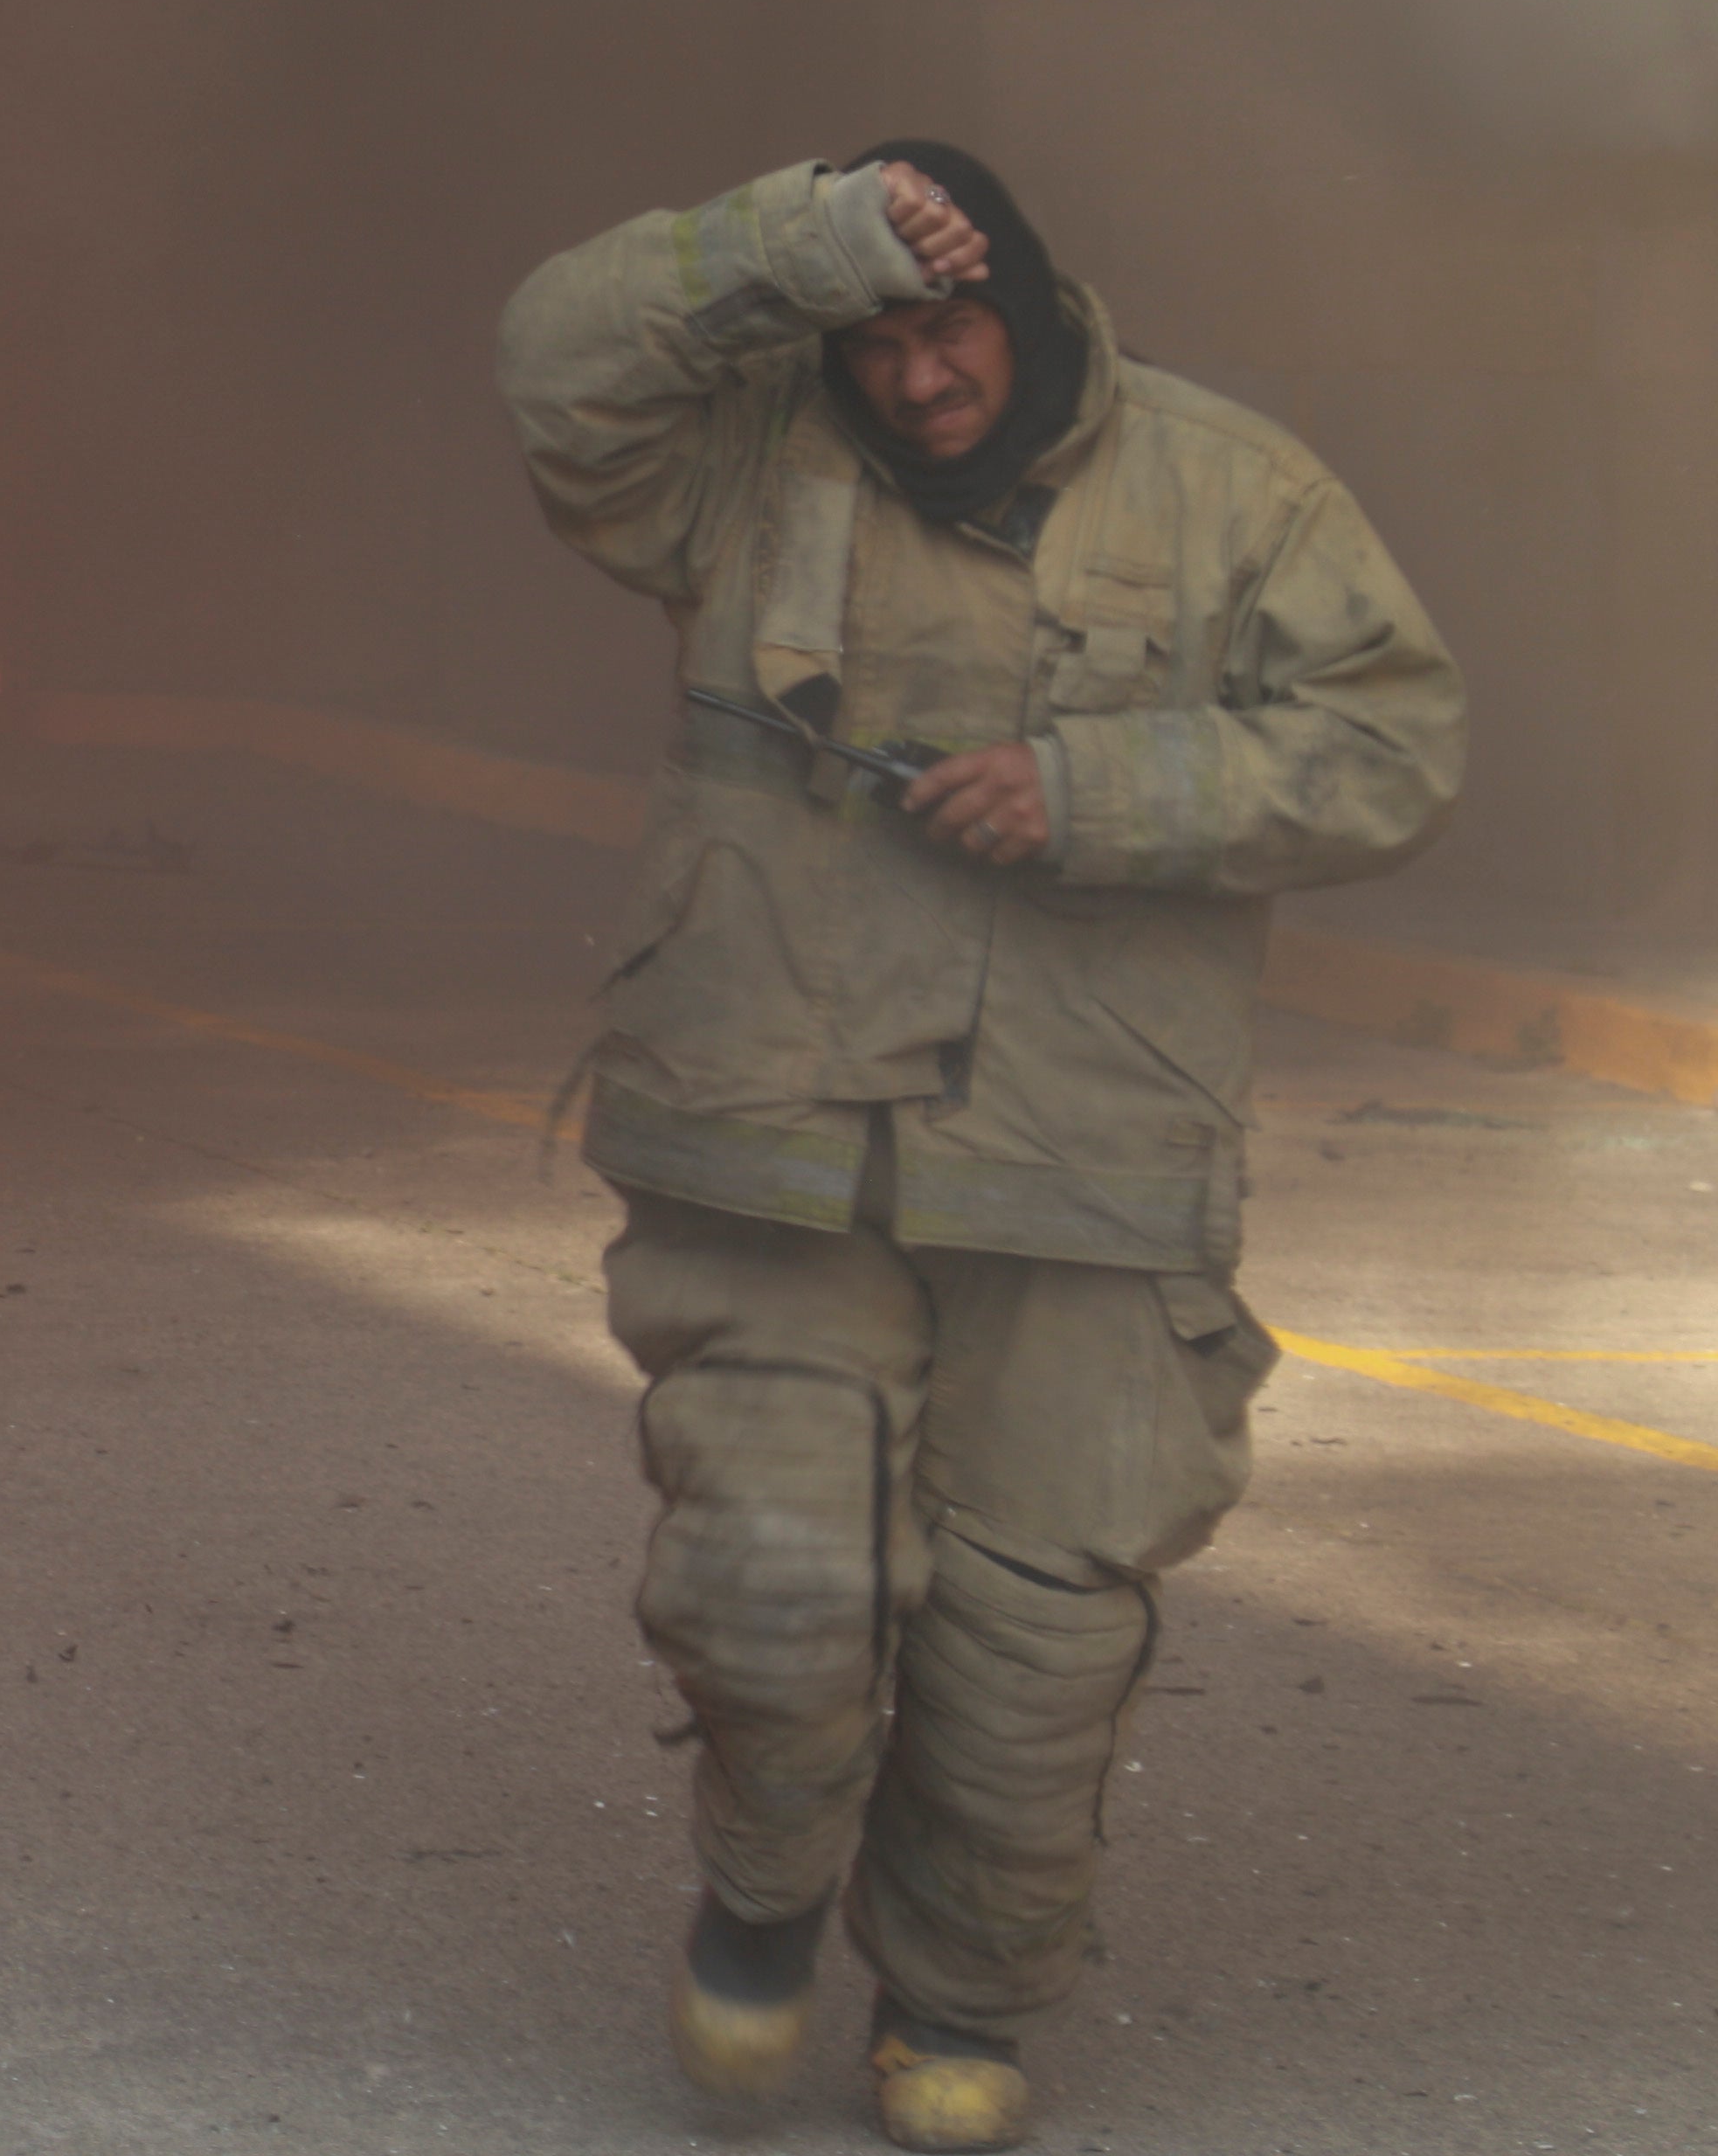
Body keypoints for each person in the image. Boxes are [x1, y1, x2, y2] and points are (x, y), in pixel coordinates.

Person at [497, 144, 1461, 2152]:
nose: (921, 377)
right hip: (772, 1138)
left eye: (952, 327)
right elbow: (555, 364)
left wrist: (1103, 793)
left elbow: (1396, 743)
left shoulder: (1235, 492)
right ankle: (761, 1901)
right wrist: (794, 240)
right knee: (772, 1591)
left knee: (1036, 1644)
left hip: (1086, 1163)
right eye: (880, 340)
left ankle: (953, 2000)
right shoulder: (742, 466)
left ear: (1032, 306)